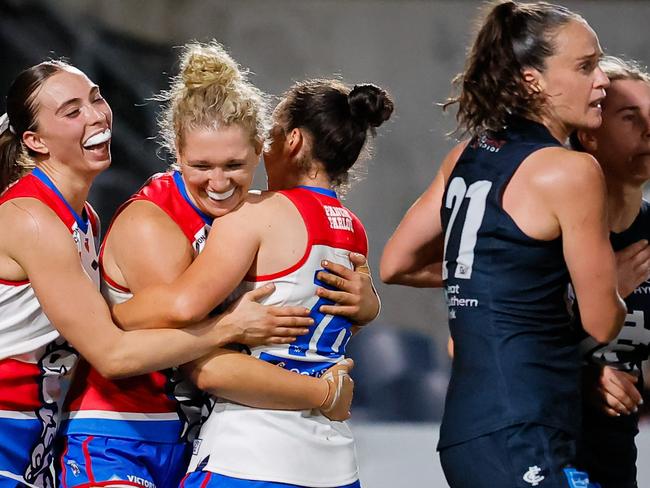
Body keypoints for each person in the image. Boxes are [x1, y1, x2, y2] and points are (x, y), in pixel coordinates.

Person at [58, 43, 380, 488]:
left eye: (234, 165)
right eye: (201, 166)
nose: (219, 181)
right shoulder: (156, 223)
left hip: (191, 436)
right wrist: (316, 389)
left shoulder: (251, 218)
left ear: (260, 150)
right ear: (176, 152)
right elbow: (199, 355)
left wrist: (365, 307)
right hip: (124, 434)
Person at [0, 60, 315, 488]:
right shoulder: (34, 219)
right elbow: (113, 354)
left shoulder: (83, 218)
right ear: (35, 141)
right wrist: (229, 328)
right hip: (72, 431)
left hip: (39, 437)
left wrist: (364, 296)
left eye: (95, 98)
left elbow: (112, 321)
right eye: (72, 111)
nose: (95, 115)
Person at [380, 2, 626, 487]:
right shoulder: (570, 171)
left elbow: (395, 264)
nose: (602, 81)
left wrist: (503, 281)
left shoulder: (465, 156)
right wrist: (616, 282)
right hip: (525, 425)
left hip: (470, 431)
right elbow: (602, 320)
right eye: (585, 66)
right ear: (532, 79)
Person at [572, 56, 650, 488]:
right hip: (542, 454)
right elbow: (477, 345)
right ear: (589, 133)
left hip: (617, 459)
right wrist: (582, 377)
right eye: (629, 116)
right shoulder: (549, 227)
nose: (649, 130)